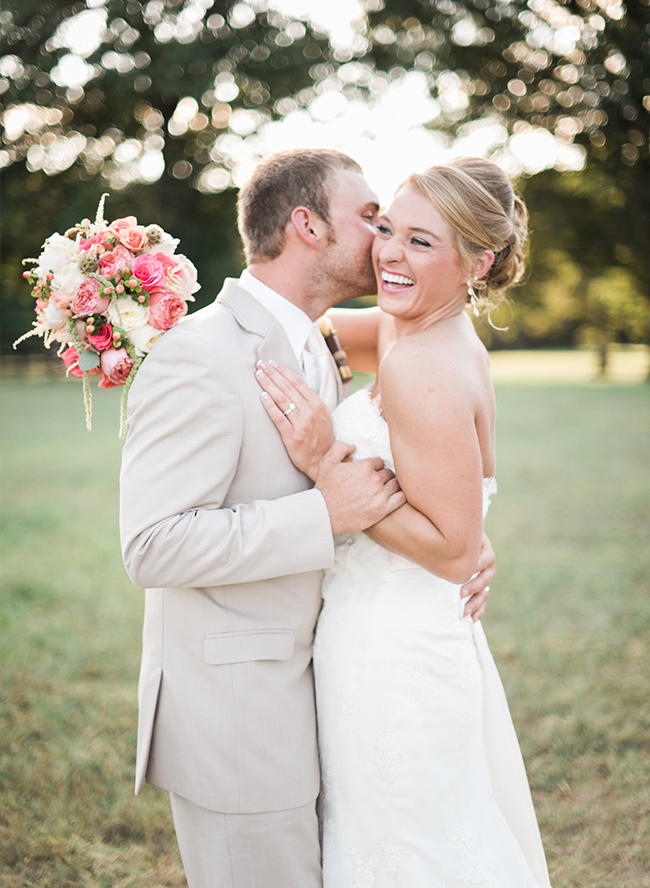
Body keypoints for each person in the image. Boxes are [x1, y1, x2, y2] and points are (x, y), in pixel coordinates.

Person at [119, 149, 495, 888]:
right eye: (372, 220)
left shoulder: (322, 340)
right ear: (308, 226)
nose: (385, 241)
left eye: (404, 231)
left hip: (340, 687)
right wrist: (323, 513)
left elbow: (439, 435)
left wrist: (469, 536)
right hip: (241, 715)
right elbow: (151, 546)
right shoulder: (198, 354)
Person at [256, 157, 552, 887]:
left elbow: (452, 552)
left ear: (478, 261)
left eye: (422, 242)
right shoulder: (404, 331)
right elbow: (308, 322)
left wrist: (326, 461)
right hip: (395, 630)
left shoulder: (422, 364)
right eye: (388, 228)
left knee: (403, 840)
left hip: (394, 646)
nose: (389, 251)